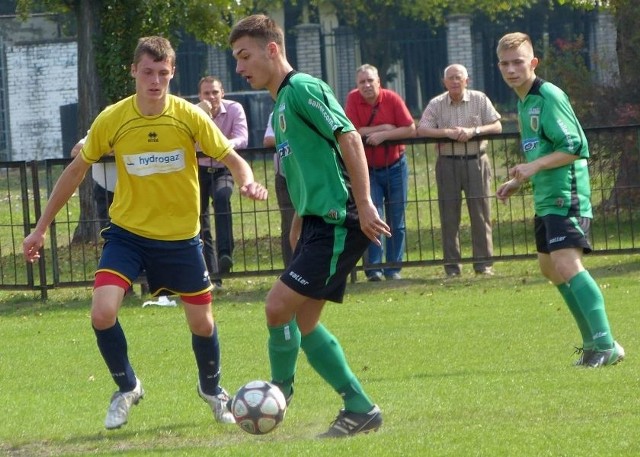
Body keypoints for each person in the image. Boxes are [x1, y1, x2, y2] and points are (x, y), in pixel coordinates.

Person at [22, 36, 268, 429]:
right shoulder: (113, 118)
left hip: (181, 238)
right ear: (134, 71)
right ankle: (127, 387)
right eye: (148, 72)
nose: (155, 81)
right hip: (128, 235)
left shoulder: (188, 116)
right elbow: (74, 172)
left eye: (164, 74)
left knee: (202, 324)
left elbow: (232, 158)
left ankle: (211, 389)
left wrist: (247, 181)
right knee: (102, 313)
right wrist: (39, 229)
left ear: (172, 74)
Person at [229, 14, 390, 437]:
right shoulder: (281, 103)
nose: (240, 67)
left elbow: (348, 137)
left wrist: (365, 202)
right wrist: (300, 216)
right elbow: (311, 166)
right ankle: (360, 408)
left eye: (245, 56)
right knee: (304, 322)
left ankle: (279, 391)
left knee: (277, 306)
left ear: (273, 49)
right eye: (236, 59)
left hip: (339, 218)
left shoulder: (302, 89)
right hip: (319, 220)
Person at [495, 32, 624, 367]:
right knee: (550, 269)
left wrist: (533, 165)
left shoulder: (548, 95)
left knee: (566, 264)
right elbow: (542, 151)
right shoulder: (524, 102)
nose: (511, 69)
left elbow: (576, 147)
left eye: (518, 62)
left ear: (533, 63)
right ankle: (592, 344)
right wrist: (517, 181)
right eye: (505, 63)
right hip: (545, 196)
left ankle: (606, 344)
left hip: (566, 195)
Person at [417, 64, 502, 277]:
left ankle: (484, 265)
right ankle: (452, 268)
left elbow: (497, 126)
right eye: (451, 78)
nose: (455, 81)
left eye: (459, 77)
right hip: (447, 163)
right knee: (449, 215)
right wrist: (447, 133)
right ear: (444, 82)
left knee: (481, 214)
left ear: (467, 80)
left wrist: (473, 131)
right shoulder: (436, 104)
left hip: (477, 161)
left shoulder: (480, 99)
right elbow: (422, 128)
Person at [345, 64, 415, 281]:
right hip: (368, 170)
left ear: (379, 82)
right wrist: (385, 128)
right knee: (373, 217)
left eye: (370, 81)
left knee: (397, 218)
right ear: (357, 85)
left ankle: (393, 268)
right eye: (362, 82)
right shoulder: (352, 100)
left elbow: (411, 128)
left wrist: (384, 136)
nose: (366, 85)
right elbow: (351, 131)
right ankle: (373, 269)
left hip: (395, 166)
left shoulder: (392, 98)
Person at [196, 76, 249, 289]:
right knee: (201, 219)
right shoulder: (194, 112)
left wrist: (221, 145)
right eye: (206, 93)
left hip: (223, 167)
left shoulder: (235, 109)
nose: (211, 97)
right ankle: (210, 274)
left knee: (222, 197)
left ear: (223, 93)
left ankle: (225, 253)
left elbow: (242, 138)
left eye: (215, 92)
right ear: (200, 96)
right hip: (198, 169)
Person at [264, 112, 295, 267]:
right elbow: (268, 140)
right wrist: (296, 139)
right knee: (288, 223)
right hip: (284, 176)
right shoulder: (276, 113)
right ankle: (290, 268)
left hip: (311, 174)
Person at [70, 136, 116, 230]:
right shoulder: (100, 129)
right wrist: (105, 151)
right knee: (109, 231)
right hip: (106, 192)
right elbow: (75, 152)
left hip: (133, 191)